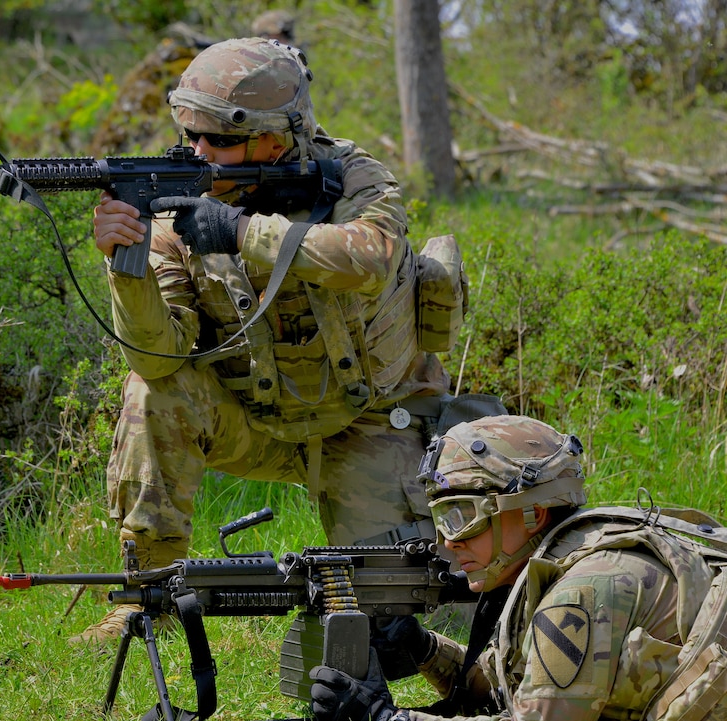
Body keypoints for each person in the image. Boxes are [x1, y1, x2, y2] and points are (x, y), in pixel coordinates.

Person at [78, 36, 459, 642]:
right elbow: (158, 357)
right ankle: (144, 599)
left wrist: (242, 231)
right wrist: (125, 266)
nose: (201, 153)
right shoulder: (175, 203)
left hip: (368, 421)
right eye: (190, 136)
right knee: (153, 394)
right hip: (257, 421)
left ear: (277, 137)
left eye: (222, 140)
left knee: (401, 610)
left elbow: (372, 258)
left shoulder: (352, 176)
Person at [309, 414, 727, 721]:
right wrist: (421, 646)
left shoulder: (583, 592)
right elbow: (501, 688)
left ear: (532, 514)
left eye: (462, 516)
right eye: (441, 519)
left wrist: (387, 720)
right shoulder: (553, 563)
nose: (448, 541)